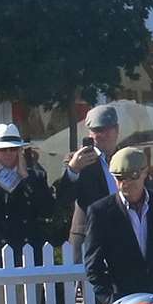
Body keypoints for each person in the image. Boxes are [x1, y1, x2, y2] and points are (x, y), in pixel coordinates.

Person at [83, 144, 153, 304]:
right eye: (119, 178)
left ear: (145, 172)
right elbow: (93, 266)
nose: (126, 184)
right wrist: (112, 301)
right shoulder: (101, 212)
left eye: (132, 176)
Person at [0, 123, 54, 254]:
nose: (8, 153)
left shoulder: (36, 176)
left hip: (29, 249)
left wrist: (25, 178)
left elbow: (48, 211)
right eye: (3, 149)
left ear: (20, 151)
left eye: (13, 149)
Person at [55, 102, 123, 249]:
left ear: (116, 130)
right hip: (89, 236)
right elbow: (63, 199)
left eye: (107, 129)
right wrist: (73, 170)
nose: (103, 135)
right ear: (90, 134)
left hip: (122, 233)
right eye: (97, 130)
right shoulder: (76, 160)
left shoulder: (126, 158)